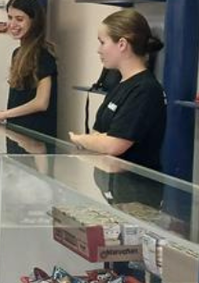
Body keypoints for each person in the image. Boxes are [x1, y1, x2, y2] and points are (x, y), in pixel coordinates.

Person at [68, 9, 166, 168]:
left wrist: (80, 139)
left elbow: (114, 145)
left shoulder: (145, 89)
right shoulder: (120, 85)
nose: (98, 50)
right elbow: (99, 134)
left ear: (122, 44)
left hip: (136, 188)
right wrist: (96, 140)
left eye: (102, 42)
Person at [0, 0, 58, 138]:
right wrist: (1, 116)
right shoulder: (17, 53)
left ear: (34, 21)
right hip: (18, 134)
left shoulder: (44, 56)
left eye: (19, 19)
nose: (12, 24)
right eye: (10, 18)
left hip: (36, 137)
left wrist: (2, 115)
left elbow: (41, 102)